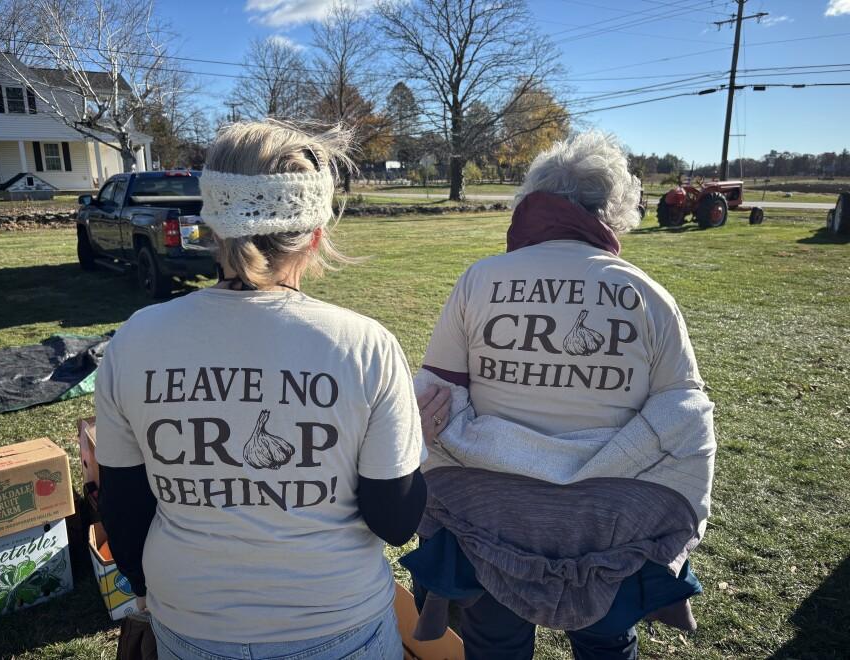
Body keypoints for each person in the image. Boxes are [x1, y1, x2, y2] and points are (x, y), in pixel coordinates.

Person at [95, 120, 427, 660]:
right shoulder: (366, 346)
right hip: (340, 624)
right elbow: (395, 521)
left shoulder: (136, 340)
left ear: (211, 226)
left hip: (190, 622)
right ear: (316, 234)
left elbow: (125, 512)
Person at [409, 131, 716, 660]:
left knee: (494, 646)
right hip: (609, 525)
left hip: (490, 518)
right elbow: (683, 415)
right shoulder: (647, 294)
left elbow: (433, 399)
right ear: (613, 209)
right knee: (607, 645)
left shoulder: (480, 280)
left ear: (533, 199)